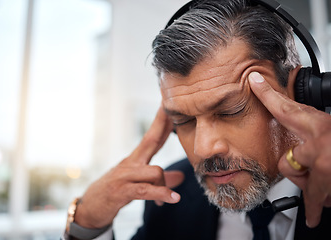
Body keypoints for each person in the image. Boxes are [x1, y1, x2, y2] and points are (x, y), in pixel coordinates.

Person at [62, 0, 331, 239]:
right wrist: (86, 225)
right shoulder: (170, 201)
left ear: (301, 95)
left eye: (231, 111)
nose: (203, 149)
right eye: (185, 120)